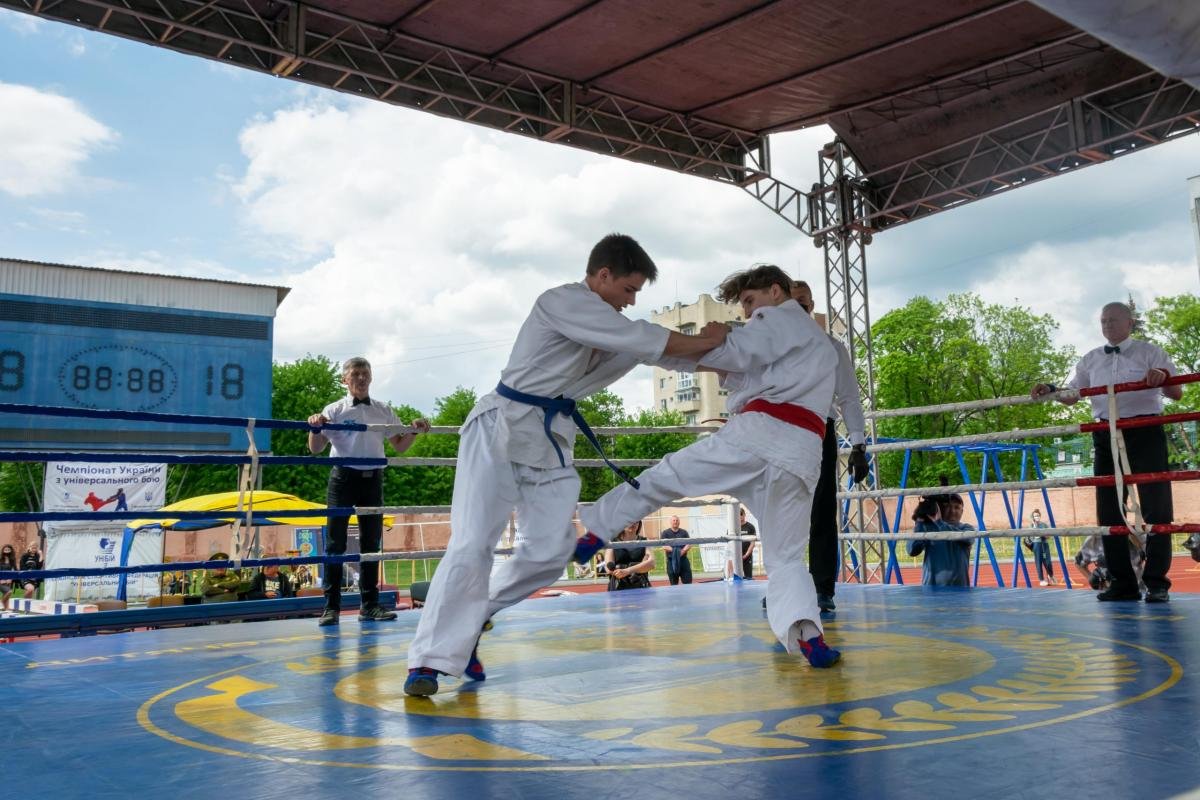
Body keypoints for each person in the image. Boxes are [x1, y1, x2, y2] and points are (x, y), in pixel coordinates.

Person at [404, 233, 727, 696]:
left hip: (549, 438)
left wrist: (725, 350)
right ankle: (427, 663)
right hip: (500, 426)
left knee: (552, 550)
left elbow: (657, 352)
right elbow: (643, 337)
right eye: (629, 289)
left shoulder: (609, 326)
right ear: (602, 276)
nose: (631, 301)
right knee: (473, 542)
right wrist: (702, 337)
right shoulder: (561, 302)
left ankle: (472, 616)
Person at [576, 263, 842, 668]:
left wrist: (706, 339)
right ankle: (807, 635)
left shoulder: (777, 317)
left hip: (759, 436)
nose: (748, 314)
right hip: (803, 453)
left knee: (668, 476)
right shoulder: (818, 343)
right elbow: (742, 369)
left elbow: (735, 353)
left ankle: (597, 529)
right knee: (786, 557)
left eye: (750, 302)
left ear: (775, 291)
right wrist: (702, 348)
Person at [1032, 301, 1180, 603]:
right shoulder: (1090, 359)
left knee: (1157, 507)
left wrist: (1162, 376)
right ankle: (1122, 583)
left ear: (1130, 323)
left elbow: (1177, 393)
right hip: (1106, 433)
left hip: (1147, 430)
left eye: (1113, 320)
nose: (1107, 325)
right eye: (1103, 321)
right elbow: (1073, 394)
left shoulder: (1152, 352)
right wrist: (1051, 388)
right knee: (1109, 509)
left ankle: (1157, 583)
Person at [308, 357, 431, 627]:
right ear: (345, 379)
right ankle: (331, 608)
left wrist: (415, 431)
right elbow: (315, 448)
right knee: (335, 544)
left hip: (373, 479)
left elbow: (399, 445)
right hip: (342, 479)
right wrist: (315, 427)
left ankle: (370, 605)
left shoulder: (383, 410)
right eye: (355, 374)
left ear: (371, 377)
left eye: (365, 373)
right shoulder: (334, 409)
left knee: (371, 544)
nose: (361, 378)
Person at [791, 281, 869, 612]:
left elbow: (849, 397)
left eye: (804, 305)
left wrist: (859, 445)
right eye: (792, 305)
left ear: (812, 307)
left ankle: (823, 588)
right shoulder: (768, 348)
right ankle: (788, 586)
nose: (799, 311)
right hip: (778, 432)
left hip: (818, 430)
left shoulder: (832, 348)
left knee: (822, 512)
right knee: (784, 514)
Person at [907, 493, 973, 587]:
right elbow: (911, 550)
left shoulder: (966, 528)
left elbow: (967, 538)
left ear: (962, 511)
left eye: (957, 507)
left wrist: (939, 522)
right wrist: (920, 521)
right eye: (948, 507)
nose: (952, 511)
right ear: (941, 509)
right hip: (931, 591)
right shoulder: (929, 528)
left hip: (959, 591)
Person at [605, 521, 654, 591]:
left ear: (639, 523)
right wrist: (641, 566)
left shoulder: (645, 541)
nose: (633, 523)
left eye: (636, 521)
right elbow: (608, 568)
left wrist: (628, 571)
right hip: (618, 589)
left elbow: (651, 564)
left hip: (641, 588)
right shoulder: (612, 542)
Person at [1022, 509, 1056, 586]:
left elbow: (1049, 535)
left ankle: (1050, 575)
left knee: (1048, 561)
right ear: (1033, 517)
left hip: (1045, 544)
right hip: (1036, 544)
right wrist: (1034, 526)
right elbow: (1030, 536)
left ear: (1040, 516)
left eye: (1038, 515)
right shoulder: (1031, 525)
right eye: (1035, 516)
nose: (1037, 517)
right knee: (1038, 562)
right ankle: (1041, 580)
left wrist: (1044, 535)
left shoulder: (1044, 525)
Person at [661, 515, 693, 585]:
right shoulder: (665, 533)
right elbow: (664, 545)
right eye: (674, 520)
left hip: (683, 560)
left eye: (677, 520)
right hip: (671, 561)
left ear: (679, 522)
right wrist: (676, 552)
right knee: (674, 584)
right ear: (670, 522)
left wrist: (682, 551)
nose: (675, 522)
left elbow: (689, 544)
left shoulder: (684, 532)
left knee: (688, 583)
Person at [739, 508, 756, 579]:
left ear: (744, 515)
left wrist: (746, 555)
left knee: (748, 577)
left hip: (747, 557)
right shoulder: (732, 528)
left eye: (741, 514)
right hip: (736, 558)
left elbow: (752, 543)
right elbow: (730, 544)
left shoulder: (750, 527)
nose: (739, 516)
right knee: (736, 578)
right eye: (738, 515)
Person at [0, 544, 16, 610]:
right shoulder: (0, 559)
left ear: (11, 551)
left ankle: (6, 608)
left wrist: (10, 579)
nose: (7, 551)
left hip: (9, 580)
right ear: (3, 550)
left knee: (6, 594)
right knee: (9, 592)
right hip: (1, 580)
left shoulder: (12, 560)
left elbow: (13, 570)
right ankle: (1, 602)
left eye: (8, 550)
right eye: (5, 550)